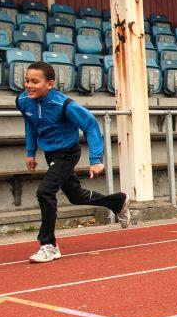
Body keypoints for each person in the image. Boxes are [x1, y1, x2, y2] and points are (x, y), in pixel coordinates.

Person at [17, 62, 130, 263]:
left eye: (35, 81)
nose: (29, 85)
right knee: (76, 196)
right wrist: (30, 151)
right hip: (50, 154)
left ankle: (48, 245)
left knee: (45, 192)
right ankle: (118, 202)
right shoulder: (23, 100)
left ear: (50, 84)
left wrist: (96, 159)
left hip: (67, 153)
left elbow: (91, 126)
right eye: (27, 80)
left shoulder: (65, 105)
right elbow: (31, 123)